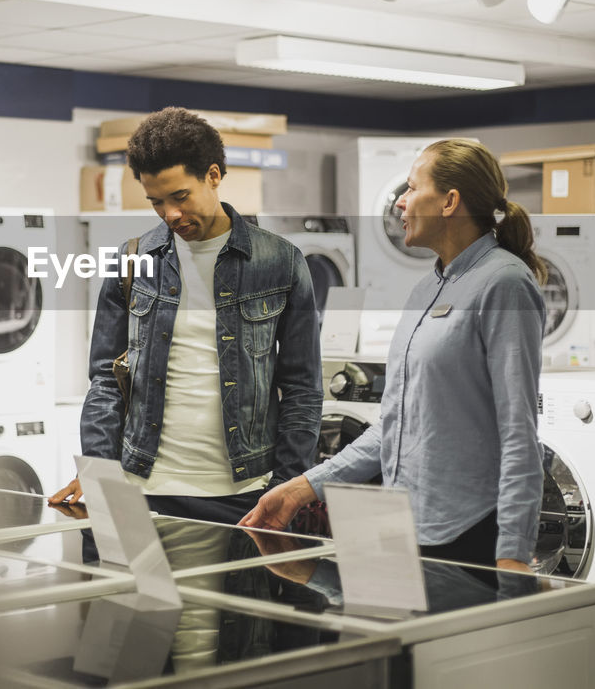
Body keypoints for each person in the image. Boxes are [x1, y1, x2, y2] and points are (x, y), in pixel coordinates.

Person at [242, 139, 546, 573]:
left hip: (472, 534)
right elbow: (393, 429)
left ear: (449, 202)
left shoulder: (504, 285)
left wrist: (513, 553)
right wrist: (300, 490)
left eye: (411, 188)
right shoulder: (426, 289)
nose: (400, 203)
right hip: (405, 530)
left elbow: (519, 433)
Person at [51, 107, 322, 524]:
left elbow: (302, 390)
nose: (170, 214)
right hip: (142, 489)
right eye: (156, 202)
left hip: (246, 493)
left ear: (213, 175)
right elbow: (105, 380)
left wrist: (288, 485)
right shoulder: (130, 262)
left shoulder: (281, 263)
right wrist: (97, 469)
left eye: (180, 196)